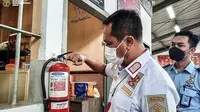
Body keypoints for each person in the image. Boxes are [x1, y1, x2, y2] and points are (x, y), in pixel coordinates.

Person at [67, 9, 179, 112]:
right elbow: (103, 68)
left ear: (129, 42)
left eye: (109, 44)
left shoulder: (156, 83)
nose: (107, 49)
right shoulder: (122, 66)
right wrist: (84, 57)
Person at [164, 31, 200, 112]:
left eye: (180, 45)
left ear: (192, 50)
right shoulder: (163, 72)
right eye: (173, 44)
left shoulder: (198, 75)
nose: (174, 48)